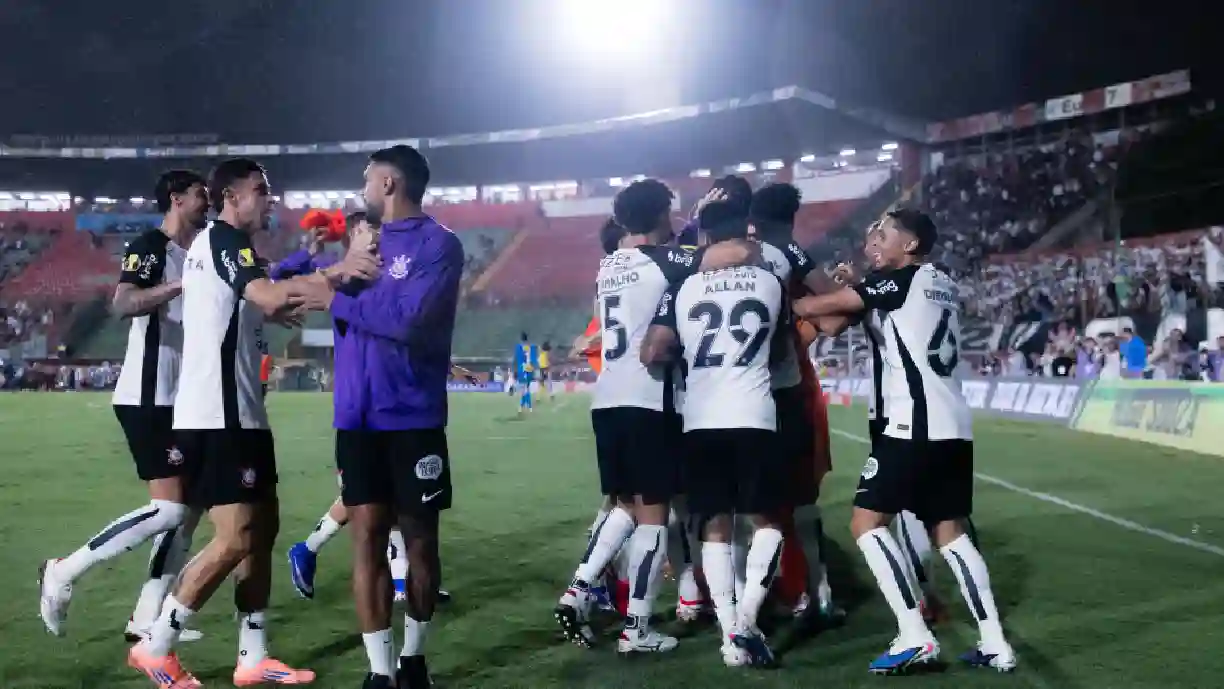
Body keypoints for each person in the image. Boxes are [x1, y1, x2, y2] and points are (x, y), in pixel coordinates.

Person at [128, 159, 357, 688]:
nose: (269, 200)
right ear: (231, 197)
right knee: (235, 538)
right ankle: (156, 645)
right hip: (217, 415)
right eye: (261, 191)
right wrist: (341, 273)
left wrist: (281, 301)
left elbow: (255, 300)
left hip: (241, 413)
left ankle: (252, 656)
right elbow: (271, 294)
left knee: (263, 532)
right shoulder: (227, 239)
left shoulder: (227, 247)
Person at [794, 208, 1016, 674]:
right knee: (950, 534)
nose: (873, 240)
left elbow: (814, 311)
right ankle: (994, 640)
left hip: (912, 424)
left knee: (866, 525)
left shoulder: (896, 284)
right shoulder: (938, 282)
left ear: (910, 245)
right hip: (953, 426)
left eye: (884, 235)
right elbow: (878, 309)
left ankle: (914, 634)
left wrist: (788, 290)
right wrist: (856, 286)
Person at [553, 181, 758, 655]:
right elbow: (734, 256)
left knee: (624, 503)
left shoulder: (608, 266)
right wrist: (714, 222)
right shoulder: (667, 261)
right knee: (653, 517)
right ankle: (636, 628)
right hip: (651, 399)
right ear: (662, 213)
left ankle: (580, 587)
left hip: (607, 399)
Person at [295, 144, 464, 689]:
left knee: (420, 542)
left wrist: (335, 300)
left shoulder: (439, 245)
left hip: (412, 416)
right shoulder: (358, 242)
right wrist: (309, 260)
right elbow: (286, 293)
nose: (363, 186)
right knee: (365, 538)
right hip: (357, 419)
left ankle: (414, 659)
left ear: (389, 182)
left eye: (369, 177)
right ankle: (380, 672)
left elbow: (411, 321)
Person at [39, 170, 210, 642]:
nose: (207, 201)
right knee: (171, 511)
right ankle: (63, 570)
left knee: (190, 508)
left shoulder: (195, 252)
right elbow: (123, 302)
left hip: (181, 397)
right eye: (200, 195)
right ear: (176, 199)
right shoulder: (151, 246)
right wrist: (178, 288)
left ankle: (144, 616)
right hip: (148, 393)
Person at [640, 199, 791, 667]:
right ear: (747, 232)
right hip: (755, 412)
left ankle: (730, 640)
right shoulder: (771, 280)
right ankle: (747, 620)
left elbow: (653, 350)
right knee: (767, 521)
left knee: (715, 526)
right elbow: (783, 350)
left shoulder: (683, 286)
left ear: (703, 239)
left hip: (701, 417)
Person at [747, 182, 843, 622]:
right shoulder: (795, 255)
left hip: (741, 394)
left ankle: (752, 601)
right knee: (802, 497)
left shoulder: (733, 255)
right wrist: (798, 328)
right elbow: (836, 315)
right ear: (791, 218)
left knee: (753, 505)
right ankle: (818, 591)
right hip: (790, 390)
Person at [513, 332, 537, 416]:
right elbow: (534, 360)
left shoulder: (518, 347)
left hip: (522, 370)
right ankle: (523, 408)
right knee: (526, 389)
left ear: (521, 338)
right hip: (530, 370)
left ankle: (527, 407)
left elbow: (516, 359)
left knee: (524, 390)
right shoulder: (532, 347)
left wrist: (514, 371)